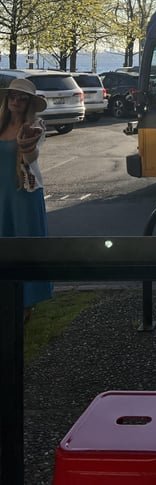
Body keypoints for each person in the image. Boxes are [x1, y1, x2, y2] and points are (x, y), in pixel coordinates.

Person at [0, 78, 53, 320]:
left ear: (29, 102)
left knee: (26, 244)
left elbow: (31, 156)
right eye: (12, 96)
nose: (16, 101)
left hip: (24, 194)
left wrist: (27, 144)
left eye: (22, 98)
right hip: (2, 194)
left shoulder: (34, 126)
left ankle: (28, 302)